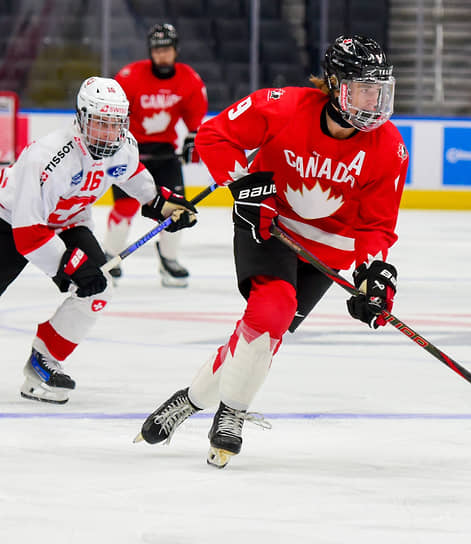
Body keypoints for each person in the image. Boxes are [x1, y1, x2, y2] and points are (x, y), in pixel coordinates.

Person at [135, 35, 409, 468]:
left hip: (327, 252)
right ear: (335, 87)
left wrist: (374, 274)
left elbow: (376, 226)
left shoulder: (389, 148)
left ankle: (188, 401)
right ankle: (232, 413)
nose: (373, 102)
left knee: (262, 335)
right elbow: (214, 136)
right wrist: (244, 188)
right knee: (272, 311)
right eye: (362, 89)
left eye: (378, 90)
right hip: (269, 225)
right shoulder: (282, 107)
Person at [0, 76, 198, 404]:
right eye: (100, 123)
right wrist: (71, 265)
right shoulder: (49, 156)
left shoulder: (123, 147)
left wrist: (163, 204)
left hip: (68, 222)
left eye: (116, 124)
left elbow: (134, 178)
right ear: (81, 118)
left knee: (96, 287)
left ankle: (42, 361)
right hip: (9, 221)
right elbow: (28, 232)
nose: (109, 134)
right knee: (85, 274)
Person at [103, 23, 208, 287]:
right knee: (125, 206)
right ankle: (109, 255)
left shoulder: (188, 78)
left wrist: (193, 135)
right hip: (132, 151)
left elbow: (195, 112)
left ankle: (169, 260)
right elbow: (115, 112)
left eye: (167, 49)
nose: (162, 55)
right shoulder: (130, 76)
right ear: (151, 51)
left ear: (175, 50)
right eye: (157, 50)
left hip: (165, 153)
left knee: (176, 208)